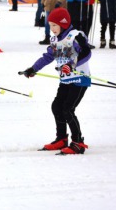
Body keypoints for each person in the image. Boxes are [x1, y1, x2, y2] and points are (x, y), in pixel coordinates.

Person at [21, 8, 92, 155]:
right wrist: (33, 69)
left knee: (68, 109)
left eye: (54, 25)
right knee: (57, 107)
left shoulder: (75, 36)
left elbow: (86, 52)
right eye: (50, 25)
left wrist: (71, 65)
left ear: (64, 24)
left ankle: (78, 142)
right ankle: (61, 139)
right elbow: (48, 57)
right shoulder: (55, 40)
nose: (51, 28)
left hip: (79, 79)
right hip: (66, 80)